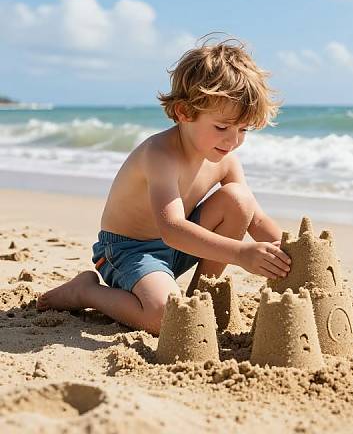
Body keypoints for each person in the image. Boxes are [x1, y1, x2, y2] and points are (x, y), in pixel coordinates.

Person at [36, 35, 291, 335]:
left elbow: (255, 219)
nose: (233, 140)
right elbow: (171, 228)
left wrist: (293, 253)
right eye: (222, 127)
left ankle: (200, 299)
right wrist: (241, 254)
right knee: (163, 317)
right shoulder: (160, 155)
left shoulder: (225, 157)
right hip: (127, 251)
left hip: (179, 246)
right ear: (184, 113)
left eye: (243, 129)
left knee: (239, 200)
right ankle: (86, 292)